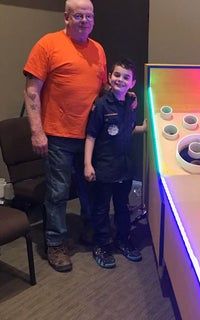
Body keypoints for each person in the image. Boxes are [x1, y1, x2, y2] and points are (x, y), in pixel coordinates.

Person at [23, 0, 107, 272]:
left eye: (89, 16)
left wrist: (124, 97)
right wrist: (36, 131)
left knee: (89, 188)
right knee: (58, 192)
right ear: (66, 18)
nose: (85, 20)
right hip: (57, 135)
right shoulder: (48, 44)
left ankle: (88, 232)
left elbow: (102, 89)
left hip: (90, 138)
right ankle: (55, 243)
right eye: (79, 15)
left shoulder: (98, 49)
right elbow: (32, 90)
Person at [84, 58, 147, 268]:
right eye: (117, 75)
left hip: (124, 168)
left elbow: (127, 129)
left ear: (132, 82)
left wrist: (144, 128)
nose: (120, 79)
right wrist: (87, 164)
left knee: (122, 206)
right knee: (101, 207)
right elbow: (91, 136)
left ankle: (123, 240)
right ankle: (101, 244)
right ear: (110, 77)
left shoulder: (131, 103)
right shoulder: (101, 105)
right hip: (104, 167)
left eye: (126, 77)